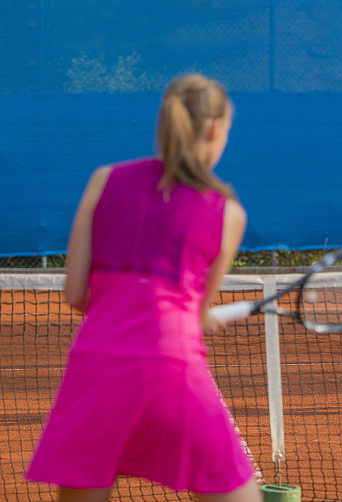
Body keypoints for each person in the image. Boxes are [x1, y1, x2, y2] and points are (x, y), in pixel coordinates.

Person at [26, 74, 261, 501]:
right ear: (213, 131)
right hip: (172, 371)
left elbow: (77, 293)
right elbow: (194, 312)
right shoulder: (227, 211)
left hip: (95, 370)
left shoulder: (102, 180)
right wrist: (198, 316)